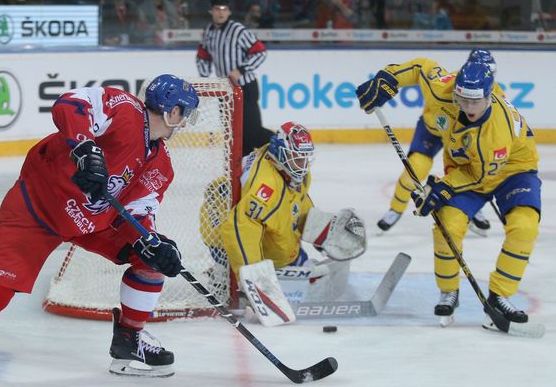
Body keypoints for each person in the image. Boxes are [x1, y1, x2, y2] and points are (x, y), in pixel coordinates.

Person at [0, 75, 200, 384]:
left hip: (91, 223)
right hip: (37, 207)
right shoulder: (124, 110)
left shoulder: (162, 165)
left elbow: (137, 213)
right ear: (172, 111)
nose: (185, 122)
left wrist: (151, 240)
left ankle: (129, 341)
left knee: (150, 257)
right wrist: (84, 146)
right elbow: (71, 104)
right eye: (185, 113)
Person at [356, 57, 541, 328]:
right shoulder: (444, 90)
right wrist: (387, 78)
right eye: (462, 99)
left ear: (490, 95)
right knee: (448, 225)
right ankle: (448, 290)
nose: (467, 107)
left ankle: (500, 295)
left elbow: (480, 176)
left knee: (524, 226)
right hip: (467, 166)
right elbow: (420, 68)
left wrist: (441, 187)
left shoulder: (496, 131)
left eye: (475, 102)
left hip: (512, 170)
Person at [199, 122, 366, 326]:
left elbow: (296, 206)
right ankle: (224, 278)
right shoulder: (266, 187)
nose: (302, 164)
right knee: (236, 285)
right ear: (281, 153)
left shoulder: (288, 170)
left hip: (245, 216)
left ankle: (292, 263)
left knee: (283, 236)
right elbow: (239, 228)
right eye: (297, 158)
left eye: (305, 157)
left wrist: (324, 232)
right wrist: (254, 279)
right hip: (221, 225)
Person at [375, 48, 499, 236]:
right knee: (415, 169)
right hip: (433, 131)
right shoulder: (447, 85)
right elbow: (421, 69)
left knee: (468, 174)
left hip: (463, 138)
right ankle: (395, 209)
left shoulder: (495, 94)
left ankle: (472, 208)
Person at [196, 0, 274, 156]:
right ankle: (239, 175)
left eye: (224, 9)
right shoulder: (209, 31)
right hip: (225, 90)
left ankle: (284, 148)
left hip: (245, 87)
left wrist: (241, 70)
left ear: (229, 11)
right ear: (212, 11)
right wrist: (204, 76)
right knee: (233, 135)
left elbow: (260, 52)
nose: (221, 12)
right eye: (217, 9)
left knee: (252, 132)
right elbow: (203, 55)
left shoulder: (238, 31)